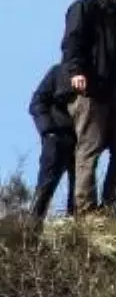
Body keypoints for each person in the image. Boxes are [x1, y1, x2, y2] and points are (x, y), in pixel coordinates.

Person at [59, 0, 116, 215]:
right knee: (89, 149)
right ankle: (87, 211)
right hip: (91, 88)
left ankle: (110, 208)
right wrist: (76, 72)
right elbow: (73, 40)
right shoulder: (84, 7)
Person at [28, 64, 76, 221]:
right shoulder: (60, 71)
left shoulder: (97, 74)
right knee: (46, 185)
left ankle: (75, 227)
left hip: (84, 140)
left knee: (80, 187)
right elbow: (37, 102)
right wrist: (49, 131)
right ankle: (31, 230)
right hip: (58, 135)